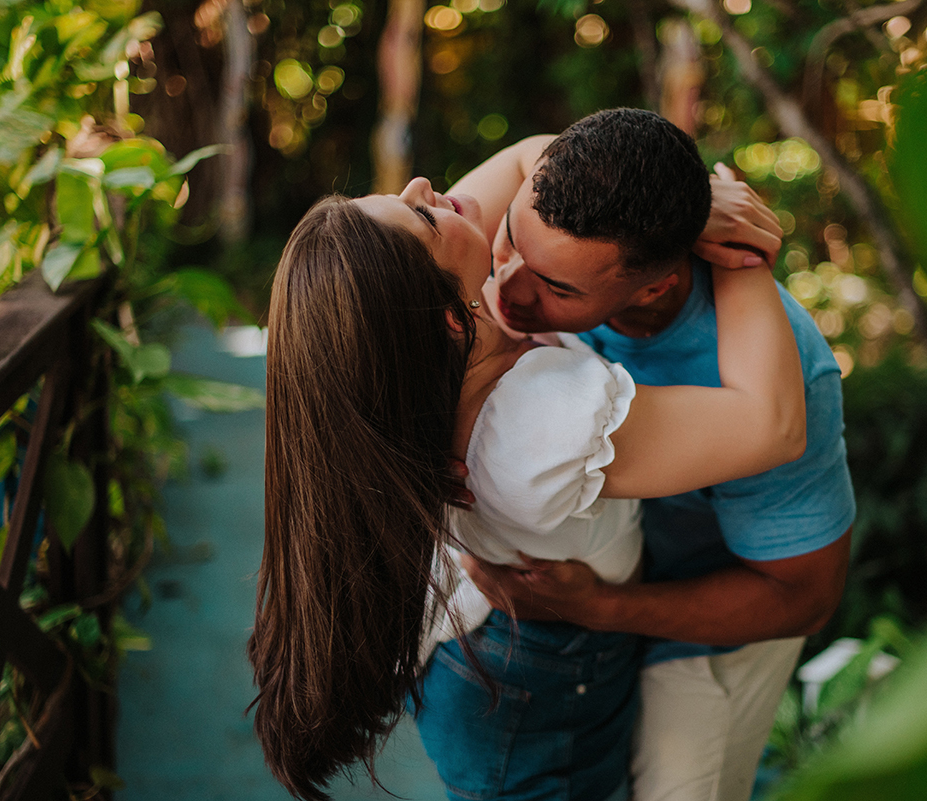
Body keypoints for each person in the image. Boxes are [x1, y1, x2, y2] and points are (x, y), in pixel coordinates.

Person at [247, 148, 806, 800]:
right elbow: (773, 424)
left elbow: (529, 164)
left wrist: (679, 208)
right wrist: (730, 239)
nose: (424, 185)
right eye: (420, 216)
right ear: (453, 319)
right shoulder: (532, 428)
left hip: (492, 652)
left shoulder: (428, 347)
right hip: (536, 692)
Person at [454, 108, 856, 801]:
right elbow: (526, 154)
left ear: (655, 284)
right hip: (592, 614)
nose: (508, 291)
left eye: (557, 288)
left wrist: (606, 608)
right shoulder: (555, 225)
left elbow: (805, 596)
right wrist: (701, 199)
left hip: (707, 623)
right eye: (510, 238)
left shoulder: (787, 375)